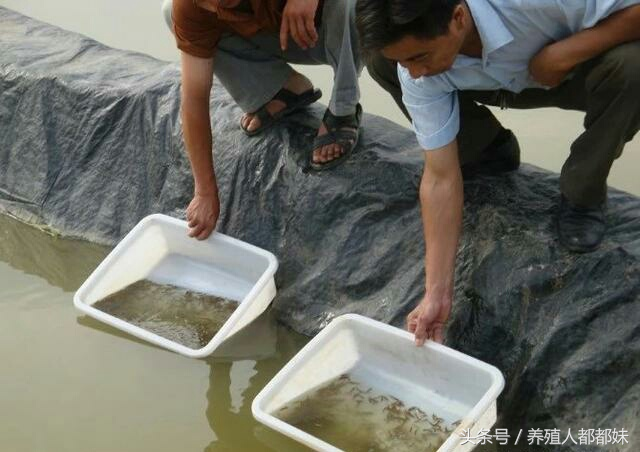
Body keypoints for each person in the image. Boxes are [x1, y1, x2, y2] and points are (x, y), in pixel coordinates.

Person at [355, 0, 640, 345]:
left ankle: (583, 194)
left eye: (419, 57)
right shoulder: (417, 70)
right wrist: (437, 295)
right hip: (493, 81)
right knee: (387, 70)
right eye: (404, 60)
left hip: (567, 71)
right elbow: (440, 176)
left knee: (632, 65)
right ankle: (487, 149)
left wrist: (565, 52)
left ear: (458, 17)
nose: (413, 73)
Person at [162, 0, 363, 240]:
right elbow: (194, 97)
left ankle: (344, 108)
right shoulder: (196, 5)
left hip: (330, 25)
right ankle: (280, 88)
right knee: (172, 13)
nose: (215, 5)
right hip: (281, 32)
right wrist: (204, 190)